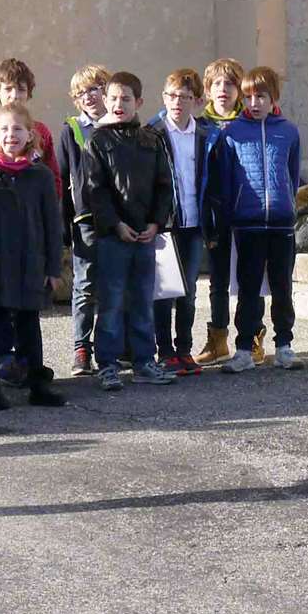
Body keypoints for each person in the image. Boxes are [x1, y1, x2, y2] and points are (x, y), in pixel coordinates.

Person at [81, 72, 177, 391]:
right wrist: (115, 224)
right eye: (113, 98)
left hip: (145, 235)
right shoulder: (97, 141)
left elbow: (165, 186)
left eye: (126, 99)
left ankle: (143, 361)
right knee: (110, 302)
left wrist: (155, 223)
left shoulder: (152, 140)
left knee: (141, 300)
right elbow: (96, 190)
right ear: (105, 101)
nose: (119, 104)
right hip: (113, 236)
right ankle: (107, 364)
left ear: (138, 102)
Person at [0, 103, 68, 409]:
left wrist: (53, 267)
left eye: (17, 129)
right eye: (4, 129)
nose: (10, 135)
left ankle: (37, 384)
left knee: (30, 325)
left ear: (30, 135)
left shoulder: (39, 175)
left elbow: (51, 224)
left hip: (32, 265)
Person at [211, 67, 304, 373]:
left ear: (273, 97)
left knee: (282, 287)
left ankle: (284, 346)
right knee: (248, 289)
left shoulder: (288, 131)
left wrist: (288, 206)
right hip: (247, 224)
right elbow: (225, 181)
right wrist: (227, 218)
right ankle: (243, 349)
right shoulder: (232, 134)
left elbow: (292, 174)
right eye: (249, 96)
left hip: (281, 223)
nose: (254, 103)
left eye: (261, 96)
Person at [147, 69, 214, 374]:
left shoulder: (204, 133)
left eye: (185, 97)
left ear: (196, 101)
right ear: (164, 97)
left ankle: (184, 348)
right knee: (164, 290)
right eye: (172, 95)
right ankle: (165, 350)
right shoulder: (153, 133)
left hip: (194, 223)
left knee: (188, 290)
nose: (177, 102)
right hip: (164, 223)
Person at [54, 63, 110, 375]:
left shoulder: (120, 125)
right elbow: (62, 179)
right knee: (85, 286)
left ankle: (113, 348)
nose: (87, 97)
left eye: (93, 89)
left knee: (115, 285)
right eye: (80, 93)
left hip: (119, 219)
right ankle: (81, 348)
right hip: (85, 219)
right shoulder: (72, 130)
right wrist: (64, 225)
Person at [193, 57, 247, 367]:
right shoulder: (201, 127)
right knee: (218, 280)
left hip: (246, 212)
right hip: (216, 213)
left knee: (249, 279)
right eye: (216, 84)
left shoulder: (250, 123)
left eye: (229, 84)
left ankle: (251, 336)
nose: (223, 90)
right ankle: (217, 339)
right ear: (207, 91)